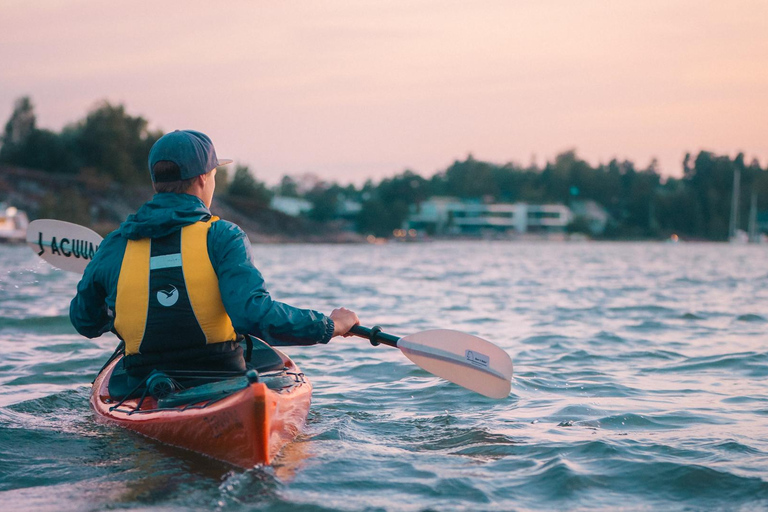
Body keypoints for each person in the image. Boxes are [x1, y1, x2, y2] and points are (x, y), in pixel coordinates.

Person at [70, 130, 359, 379]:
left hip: (145, 380)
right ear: (201, 179)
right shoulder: (223, 236)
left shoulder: (116, 244)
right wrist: (330, 325)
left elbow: (86, 322)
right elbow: (253, 315)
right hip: (220, 373)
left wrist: (118, 304)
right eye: (214, 175)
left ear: (156, 182)